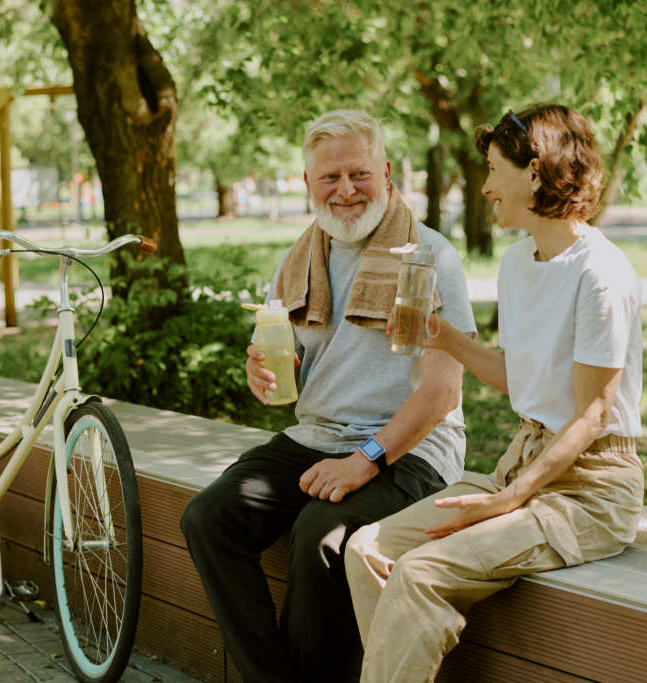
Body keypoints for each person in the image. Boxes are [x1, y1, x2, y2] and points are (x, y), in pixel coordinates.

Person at [345, 103, 645, 682]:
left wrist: (507, 502)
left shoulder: (601, 275)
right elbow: (520, 378)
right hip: (521, 465)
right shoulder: (517, 260)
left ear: (535, 173)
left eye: (493, 169)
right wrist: (446, 337)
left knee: (418, 572)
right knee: (367, 550)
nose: (484, 187)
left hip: (589, 490)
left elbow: (591, 416)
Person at [180, 110, 477, 683]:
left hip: (410, 449)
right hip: (315, 435)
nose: (345, 191)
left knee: (322, 534)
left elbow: (442, 392)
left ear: (386, 173)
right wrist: (260, 373)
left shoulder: (430, 256)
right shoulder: (298, 260)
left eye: (358, 174)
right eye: (329, 178)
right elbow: (278, 364)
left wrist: (364, 463)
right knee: (207, 517)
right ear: (310, 182)